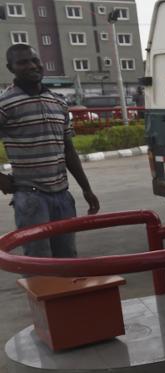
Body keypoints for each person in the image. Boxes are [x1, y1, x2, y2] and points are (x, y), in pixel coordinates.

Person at [0, 44, 99, 257]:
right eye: (23, 62)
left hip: (62, 196)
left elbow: (68, 150)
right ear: (11, 68)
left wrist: (86, 188)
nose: (32, 65)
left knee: (68, 258)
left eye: (35, 60)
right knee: (40, 263)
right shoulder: (5, 104)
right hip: (31, 198)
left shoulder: (58, 102)